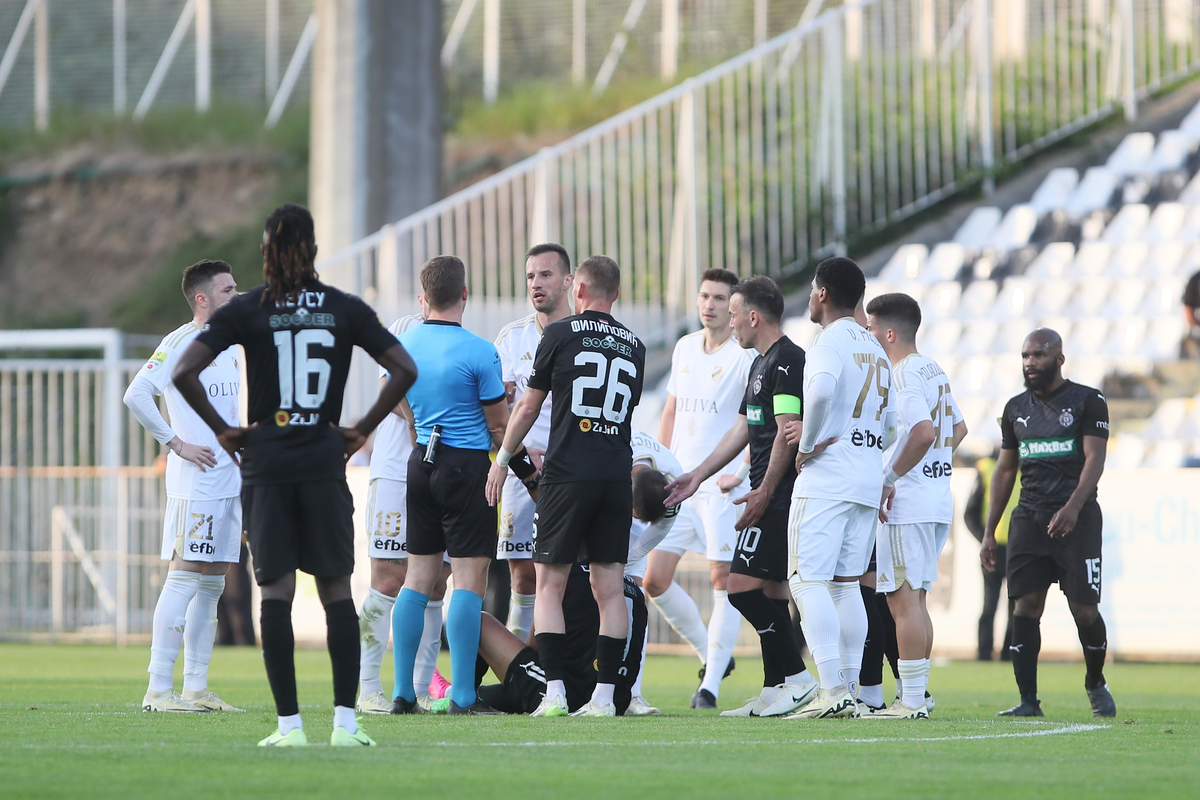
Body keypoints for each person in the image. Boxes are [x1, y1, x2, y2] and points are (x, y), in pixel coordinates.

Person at [173, 203, 418, 747]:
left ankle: (289, 728)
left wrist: (224, 430)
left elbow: (183, 370)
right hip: (323, 459)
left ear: (266, 251)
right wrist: (358, 430)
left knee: (276, 591)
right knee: (335, 590)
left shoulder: (249, 309)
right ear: (312, 250)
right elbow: (405, 369)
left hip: (266, 463)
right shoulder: (343, 307)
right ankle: (346, 725)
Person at [486, 255, 646, 717]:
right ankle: (604, 698)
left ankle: (553, 692)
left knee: (549, 585)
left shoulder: (558, 334)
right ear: (615, 294)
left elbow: (529, 406)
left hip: (567, 474)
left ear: (578, 290)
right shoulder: (634, 344)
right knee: (610, 589)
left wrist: (502, 460)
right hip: (616, 473)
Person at [665, 276, 816, 718]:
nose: (729, 323)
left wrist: (763, 491)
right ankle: (776, 687)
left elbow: (788, 433)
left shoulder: (787, 360)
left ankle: (800, 679)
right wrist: (696, 474)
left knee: (739, 588)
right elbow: (742, 430)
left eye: (733, 313)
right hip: (767, 494)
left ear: (753, 316)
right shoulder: (758, 363)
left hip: (778, 496)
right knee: (769, 591)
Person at [390, 255, 523, 716]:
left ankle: (403, 691)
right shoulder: (480, 350)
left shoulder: (402, 345)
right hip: (467, 468)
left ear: (423, 298)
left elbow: (395, 400)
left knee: (417, 578)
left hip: (420, 462)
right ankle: (463, 694)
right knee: (468, 580)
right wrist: (508, 458)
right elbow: (499, 425)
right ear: (465, 294)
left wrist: (417, 425)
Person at [124, 259, 243, 713]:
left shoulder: (230, 344)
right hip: (197, 483)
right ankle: (158, 689)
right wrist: (175, 442)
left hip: (228, 480)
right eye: (228, 290)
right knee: (183, 576)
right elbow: (136, 394)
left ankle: (195, 686)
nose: (237, 295)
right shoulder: (180, 342)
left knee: (212, 583)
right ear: (202, 298)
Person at [982, 328, 1115, 718]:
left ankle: (1095, 681)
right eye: (1025, 356)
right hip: (1030, 517)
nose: (1030, 363)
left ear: (1059, 359)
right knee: (1024, 606)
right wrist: (990, 532)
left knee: (1084, 610)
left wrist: (1073, 507)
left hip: (1079, 517)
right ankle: (1027, 701)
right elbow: (1005, 471)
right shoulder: (1014, 408)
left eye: (1039, 355)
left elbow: (1095, 459)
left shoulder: (1088, 400)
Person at [787, 256, 894, 720]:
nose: (811, 296)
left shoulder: (827, 340)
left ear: (823, 294)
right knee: (846, 585)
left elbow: (823, 390)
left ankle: (831, 688)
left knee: (806, 580)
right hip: (866, 478)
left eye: (813, 289)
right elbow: (892, 427)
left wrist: (806, 444)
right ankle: (850, 690)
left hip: (829, 478)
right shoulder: (875, 348)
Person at [649, 268, 752, 709]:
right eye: (704, 296)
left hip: (718, 486)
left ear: (734, 309)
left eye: (719, 298)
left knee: (721, 579)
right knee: (654, 579)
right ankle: (711, 655)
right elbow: (671, 409)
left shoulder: (745, 357)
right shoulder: (685, 347)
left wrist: (742, 471)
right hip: (679, 481)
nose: (709, 304)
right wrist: (658, 463)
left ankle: (709, 685)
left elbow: (755, 422)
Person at [864, 292, 967, 719]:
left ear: (888, 332)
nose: (868, 336)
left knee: (903, 602)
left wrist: (890, 477)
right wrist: (934, 469)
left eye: (870, 329)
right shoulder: (933, 369)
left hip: (909, 503)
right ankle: (918, 695)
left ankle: (910, 701)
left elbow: (923, 432)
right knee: (917, 601)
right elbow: (957, 429)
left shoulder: (903, 374)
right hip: (936, 498)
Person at [355, 307, 450, 714]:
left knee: (436, 582)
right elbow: (388, 387)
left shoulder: (459, 337)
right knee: (389, 578)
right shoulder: (405, 327)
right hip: (396, 470)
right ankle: (367, 689)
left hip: (439, 473)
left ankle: (417, 688)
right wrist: (417, 423)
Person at [493, 243, 574, 643]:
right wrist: (519, 457)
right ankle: (519, 670)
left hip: (572, 471)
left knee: (568, 574)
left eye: (545, 275)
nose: (536, 284)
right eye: (530, 276)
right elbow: (497, 411)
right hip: (521, 471)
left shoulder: (585, 333)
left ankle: (559, 667)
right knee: (522, 573)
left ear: (568, 281)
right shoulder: (511, 338)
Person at [965, 453, 1019, 661]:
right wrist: (985, 539)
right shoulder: (986, 468)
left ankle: (1009, 653)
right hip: (994, 550)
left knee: (1017, 607)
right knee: (990, 605)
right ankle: (984, 653)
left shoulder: (1028, 465)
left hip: (1019, 549)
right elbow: (970, 513)